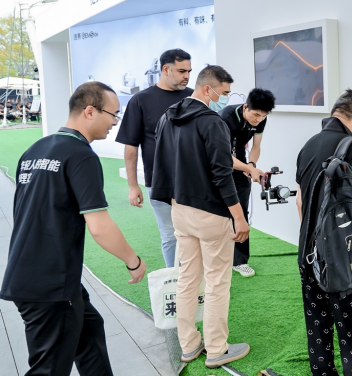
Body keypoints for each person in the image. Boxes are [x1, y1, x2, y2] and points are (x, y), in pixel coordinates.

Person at [0, 82, 147, 376]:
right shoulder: (81, 155)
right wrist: (133, 260)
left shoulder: (35, 150)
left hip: (34, 274)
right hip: (50, 284)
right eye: (113, 114)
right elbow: (99, 226)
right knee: (49, 369)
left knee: (89, 332)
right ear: (90, 111)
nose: (115, 123)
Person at [151, 65, 251, 369]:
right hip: (211, 214)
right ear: (207, 89)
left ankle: (189, 345)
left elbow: (161, 164)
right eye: (224, 92)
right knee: (217, 282)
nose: (227, 98)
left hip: (180, 209)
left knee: (187, 279)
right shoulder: (212, 122)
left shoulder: (168, 117)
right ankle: (217, 349)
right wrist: (239, 217)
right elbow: (222, 174)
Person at [295, 89, 352, 376]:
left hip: (310, 256)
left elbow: (300, 202)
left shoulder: (308, 145)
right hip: (348, 260)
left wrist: (315, 243)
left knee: (318, 330)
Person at [116, 48, 193, 267]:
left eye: (189, 71)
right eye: (181, 71)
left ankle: (195, 280)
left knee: (195, 234)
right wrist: (133, 185)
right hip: (159, 182)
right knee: (169, 235)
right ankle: (175, 279)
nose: (187, 76)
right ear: (165, 69)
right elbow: (131, 147)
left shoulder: (194, 97)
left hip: (194, 181)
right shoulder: (140, 100)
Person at [218, 88, 276, 277]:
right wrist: (250, 169)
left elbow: (256, 146)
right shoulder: (225, 117)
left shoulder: (261, 120)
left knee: (242, 212)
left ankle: (240, 261)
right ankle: (218, 257)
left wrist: (251, 165)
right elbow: (223, 155)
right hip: (219, 166)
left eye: (263, 116)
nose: (259, 119)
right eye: (256, 115)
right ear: (245, 107)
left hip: (241, 165)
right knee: (219, 213)